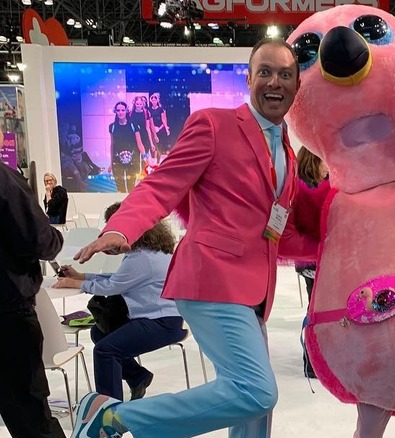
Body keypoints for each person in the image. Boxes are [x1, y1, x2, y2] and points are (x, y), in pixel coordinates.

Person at [68, 38, 316, 438]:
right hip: (211, 279)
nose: (275, 81)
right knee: (256, 391)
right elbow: (161, 185)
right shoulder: (214, 124)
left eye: (285, 74)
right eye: (265, 72)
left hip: (255, 290)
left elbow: (275, 231)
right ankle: (113, 417)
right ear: (249, 79)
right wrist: (120, 227)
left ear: (297, 85)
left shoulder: (285, 146)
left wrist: (338, 248)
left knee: (251, 407)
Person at [53, 202, 187, 401]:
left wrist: (77, 283)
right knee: (99, 332)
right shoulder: (148, 253)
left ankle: (109, 410)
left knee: (104, 350)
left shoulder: (141, 258)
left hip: (161, 322)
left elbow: (113, 286)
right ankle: (137, 376)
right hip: (161, 318)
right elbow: (118, 278)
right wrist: (82, 277)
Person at [0, 162, 66, 438]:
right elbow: (38, 240)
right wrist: (56, 239)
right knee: (29, 414)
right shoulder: (5, 181)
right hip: (7, 312)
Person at [293, 146, 327, 379]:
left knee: (316, 310)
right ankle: (312, 361)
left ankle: (315, 361)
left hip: (310, 261)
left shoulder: (301, 187)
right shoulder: (310, 191)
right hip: (314, 261)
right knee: (317, 311)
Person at [109, 101, 148, 193]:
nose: (120, 112)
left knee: (131, 186)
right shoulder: (112, 127)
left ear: (126, 111)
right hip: (118, 161)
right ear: (115, 111)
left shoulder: (133, 125)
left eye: (122, 110)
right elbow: (112, 145)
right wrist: (111, 163)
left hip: (132, 160)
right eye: (118, 110)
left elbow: (139, 143)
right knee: (120, 188)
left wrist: (146, 159)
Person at [148, 92, 171, 161]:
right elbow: (148, 120)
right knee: (154, 144)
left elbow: (163, 119)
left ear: (157, 100)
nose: (154, 101)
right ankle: (153, 159)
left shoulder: (161, 109)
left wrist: (162, 128)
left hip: (160, 129)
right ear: (150, 100)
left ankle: (158, 160)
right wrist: (153, 128)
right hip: (152, 129)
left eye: (155, 100)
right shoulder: (149, 109)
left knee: (159, 144)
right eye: (152, 100)